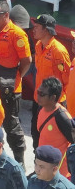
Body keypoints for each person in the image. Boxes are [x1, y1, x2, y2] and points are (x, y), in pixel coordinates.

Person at [0, 0, 31, 163]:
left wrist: (16, 77)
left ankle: (19, 161)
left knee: (11, 125)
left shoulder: (17, 34)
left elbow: (27, 61)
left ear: (6, 15)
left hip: (9, 89)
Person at [32, 14, 71, 148]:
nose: (33, 29)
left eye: (37, 27)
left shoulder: (58, 51)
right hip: (39, 99)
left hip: (54, 102)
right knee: (36, 132)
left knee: (53, 137)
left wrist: (58, 103)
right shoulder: (38, 46)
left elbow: (67, 79)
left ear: (47, 30)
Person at [37, 77, 74, 178]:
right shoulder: (41, 109)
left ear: (53, 98)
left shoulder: (62, 117)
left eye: (42, 94)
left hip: (58, 173)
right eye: (38, 92)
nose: (38, 96)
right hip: (43, 167)